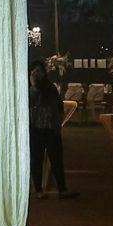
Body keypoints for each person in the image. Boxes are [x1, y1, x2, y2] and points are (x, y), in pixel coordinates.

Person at [29, 63, 75, 198]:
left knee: (56, 160)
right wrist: (33, 85)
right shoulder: (30, 89)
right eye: (34, 71)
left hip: (51, 130)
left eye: (39, 71)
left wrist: (56, 124)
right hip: (36, 130)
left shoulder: (50, 88)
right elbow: (31, 102)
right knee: (37, 160)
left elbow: (58, 106)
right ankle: (38, 189)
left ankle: (62, 189)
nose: (37, 74)